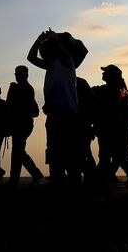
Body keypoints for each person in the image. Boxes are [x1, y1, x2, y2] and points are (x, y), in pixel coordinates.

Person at [28, 30, 81, 186]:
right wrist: (39, 39)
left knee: (67, 149)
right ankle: (58, 178)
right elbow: (30, 58)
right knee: (54, 149)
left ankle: (72, 180)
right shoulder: (50, 65)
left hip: (66, 112)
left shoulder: (66, 60)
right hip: (54, 112)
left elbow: (60, 50)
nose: (42, 54)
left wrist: (54, 39)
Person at [92, 64, 128, 186]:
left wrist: (124, 126)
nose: (102, 73)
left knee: (109, 155)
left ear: (110, 76)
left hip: (111, 131)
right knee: (117, 155)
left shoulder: (107, 92)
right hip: (112, 130)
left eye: (105, 72)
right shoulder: (120, 93)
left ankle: (107, 177)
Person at [5, 66, 45, 187]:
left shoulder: (25, 89)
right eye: (16, 74)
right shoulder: (22, 88)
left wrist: (11, 91)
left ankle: (35, 175)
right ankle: (15, 179)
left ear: (26, 75)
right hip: (21, 124)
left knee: (18, 151)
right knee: (17, 151)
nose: (17, 76)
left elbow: (11, 106)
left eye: (19, 74)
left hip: (22, 124)